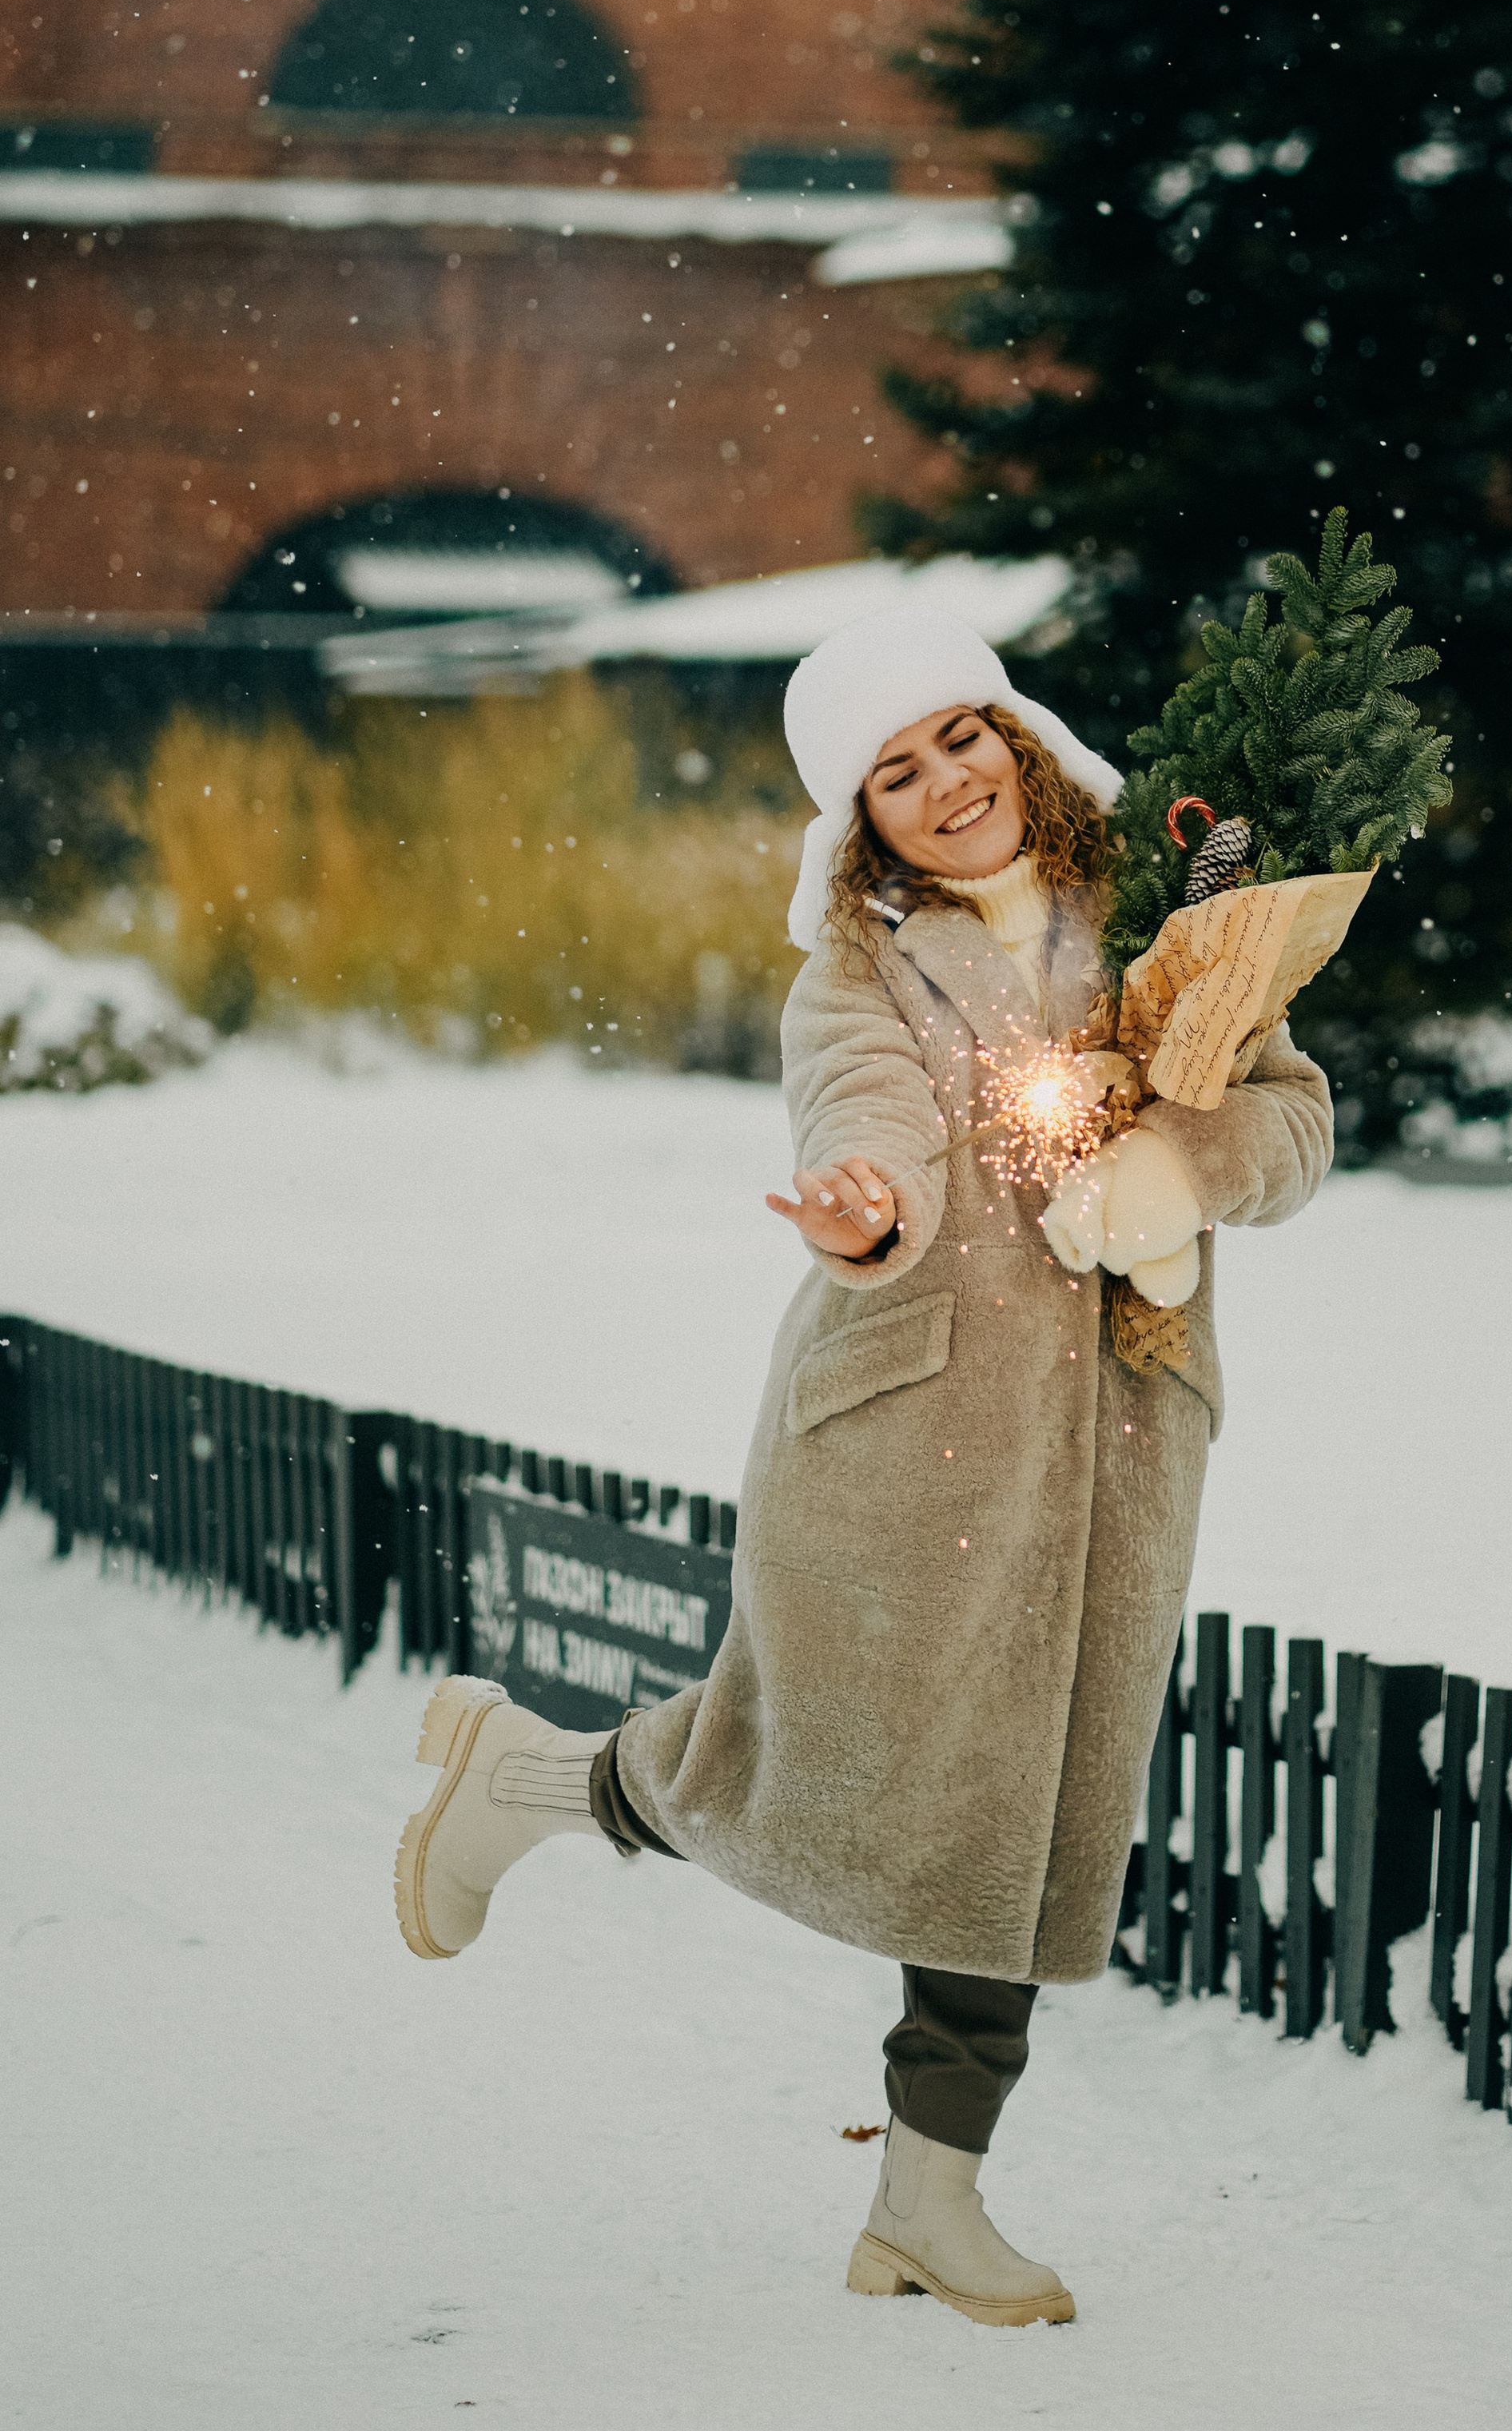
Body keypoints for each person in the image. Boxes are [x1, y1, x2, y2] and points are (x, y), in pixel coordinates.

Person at [393, 606, 1333, 2328]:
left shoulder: (1173, 923)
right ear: (863, 822)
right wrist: (867, 1199)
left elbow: (1290, 1115)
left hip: (1119, 1440)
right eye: (893, 773)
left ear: (1016, 735)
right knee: (814, 1780)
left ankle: (924, 2203)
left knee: (1023, 1826)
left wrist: (1188, 1164)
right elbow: (860, 1107)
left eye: (956, 739)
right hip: (908, 1440)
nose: (941, 785)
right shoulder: (863, 968)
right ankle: (524, 1788)